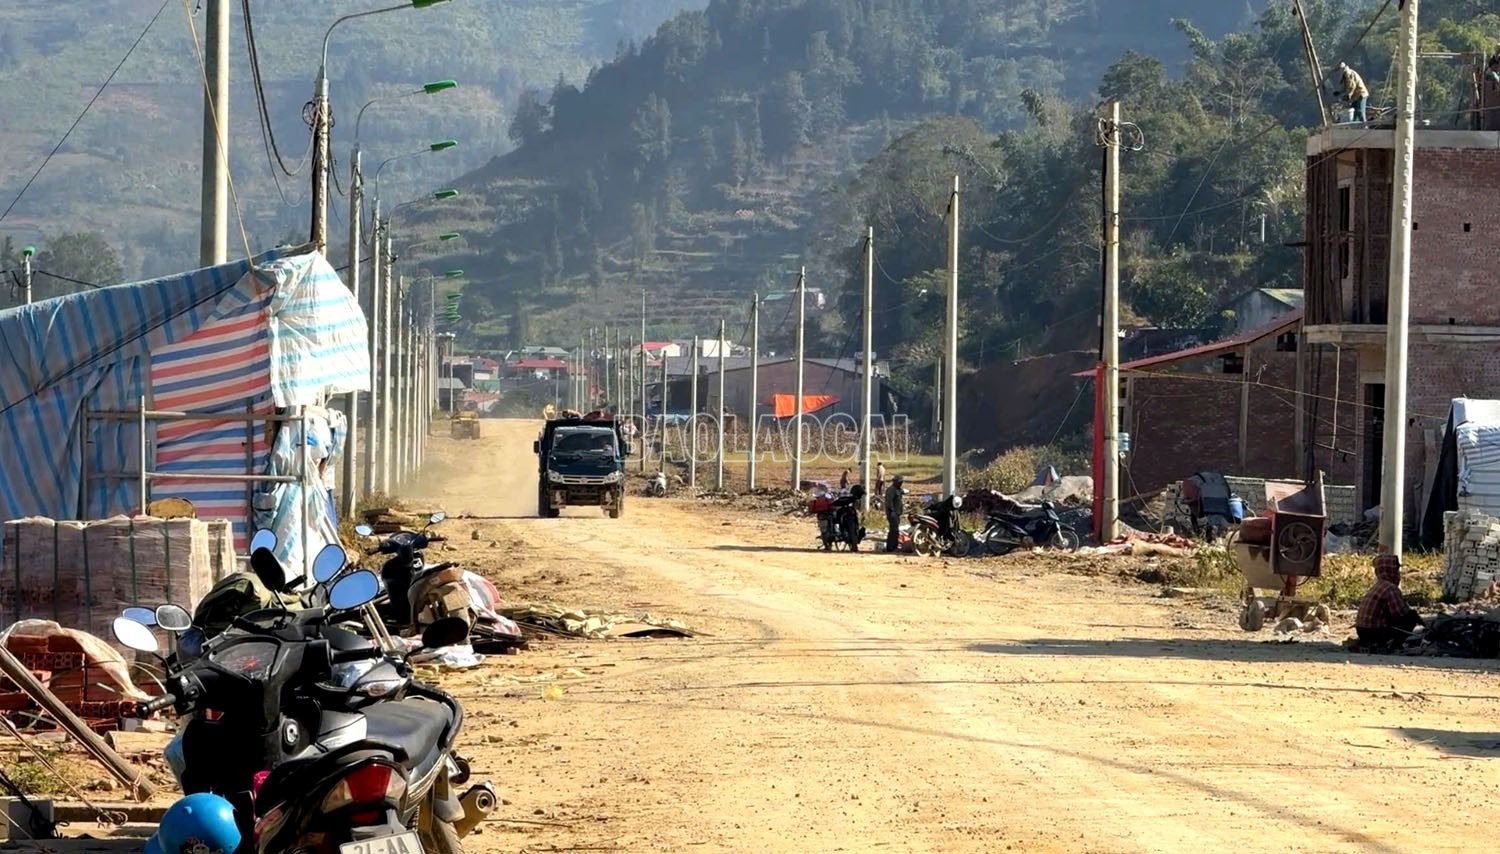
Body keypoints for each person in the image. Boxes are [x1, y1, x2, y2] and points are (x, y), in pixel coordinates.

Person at [1355, 553, 1424, 652]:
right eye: (1396, 569)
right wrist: (1416, 618)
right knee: (1409, 620)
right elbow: (1400, 613)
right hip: (1373, 631)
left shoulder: (1378, 585)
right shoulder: (1390, 588)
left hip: (1361, 630)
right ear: (1390, 570)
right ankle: (1394, 645)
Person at [884, 475, 905, 553]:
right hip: (893, 513)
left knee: (895, 530)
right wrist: (892, 512)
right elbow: (889, 502)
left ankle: (893, 546)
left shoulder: (898, 489)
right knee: (894, 530)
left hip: (897, 513)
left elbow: (902, 493)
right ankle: (891, 547)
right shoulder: (891, 490)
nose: (900, 484)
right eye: (899, 482)